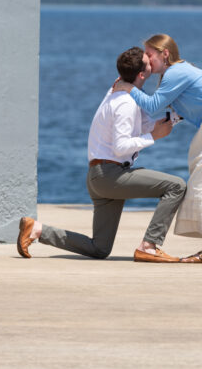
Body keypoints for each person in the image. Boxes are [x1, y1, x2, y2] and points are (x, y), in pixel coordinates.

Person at [17, 47, 186, 262]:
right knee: (176, 186)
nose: (153, 63)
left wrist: (174, 118)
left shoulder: (119, 92)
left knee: (100, 248)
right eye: (148, 62)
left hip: (99, 176)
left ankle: (37, 230)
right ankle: (149, 246)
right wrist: (153, 137)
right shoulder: (125, 103)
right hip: (110, 175)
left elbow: (143, 124)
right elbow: (121, 146)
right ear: (142, 75)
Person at [113, 34, 202, 264]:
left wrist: (127, 87)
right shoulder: (174, 75)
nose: (147, 61)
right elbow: (177, 112)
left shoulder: (176, 73)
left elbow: (152, 106)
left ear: (165, 54)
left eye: (150, 55)